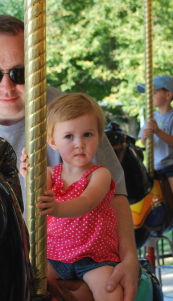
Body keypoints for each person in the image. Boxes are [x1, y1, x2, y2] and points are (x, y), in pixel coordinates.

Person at [0, 15, 138, 300]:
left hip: (70, 251)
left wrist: (129, 258)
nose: (7, 87)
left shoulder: (68, 113)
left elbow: (116, 193)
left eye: (19, 73)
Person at [20, 93, 123, 301]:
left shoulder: (99, 174)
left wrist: (57, 208)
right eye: (69, 136)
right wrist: (29, 173)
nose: (79, 144)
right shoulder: (49, 173)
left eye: (87, 134)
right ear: (52, 142)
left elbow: (86, 202)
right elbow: (39, 197)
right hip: (55, 256)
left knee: (110, 293)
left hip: (93, 258)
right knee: (22, 282)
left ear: (99, 136)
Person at [137, 75, 173, 254]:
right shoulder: (151, 117)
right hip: (153, 165)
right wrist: (146, 135)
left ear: (168, 95)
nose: (150, 97)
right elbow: (143, 141)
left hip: (171, 164)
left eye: (154, 93)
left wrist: (157, 131)